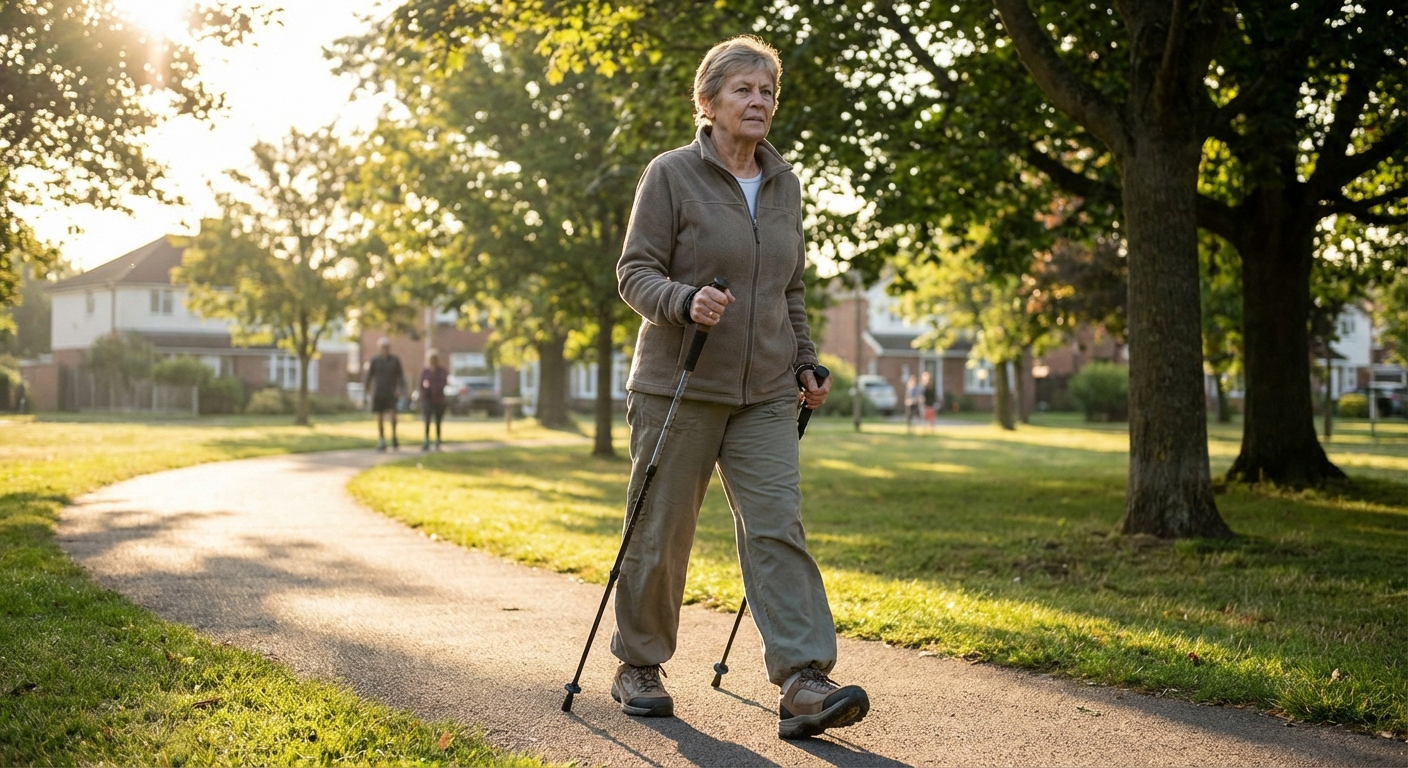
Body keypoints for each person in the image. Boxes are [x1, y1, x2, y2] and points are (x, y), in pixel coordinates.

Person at [612, 35, 869, 741]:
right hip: (680, 386)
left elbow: (791, 288)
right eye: (743, 91)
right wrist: (682, 300)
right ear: (709, 101)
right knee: (662, 534)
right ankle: (638, 664)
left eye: (767, 92)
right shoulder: (670, 174)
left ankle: (804, 680)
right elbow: (634, 272)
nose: (758, 103)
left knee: (777, 527)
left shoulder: (785, 184)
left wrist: (806, 364)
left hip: (763, 396)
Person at [364, 338, 406, 451]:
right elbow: (369, 377)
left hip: (391, 392)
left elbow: (401, 377)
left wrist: (401, 390)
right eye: (383, 347)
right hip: (378, 392)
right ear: (379, 348)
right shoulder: (374, 360)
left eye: (387, 347)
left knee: (393, 415)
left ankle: (394, 437)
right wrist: (366, 391)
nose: (385, 349)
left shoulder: (395, 360)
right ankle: (381, 439)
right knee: (379, 417)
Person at [419, 349, 449, 452]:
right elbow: (422, 384)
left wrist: (435, 388)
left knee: (438, 421)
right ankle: (426, 439)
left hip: (439, 400)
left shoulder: (442, 371)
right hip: (428, 399)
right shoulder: (425, 372)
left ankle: (437, 440)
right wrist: (426, 391)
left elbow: (443, 383)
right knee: (427, 420)